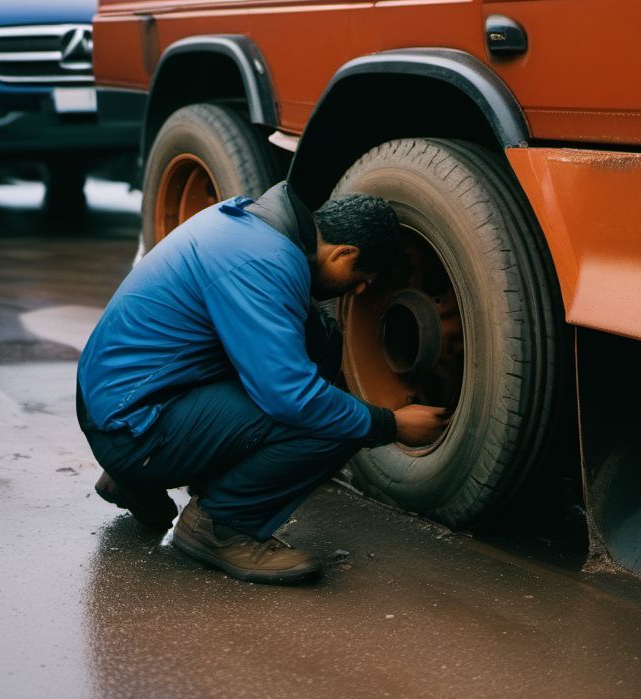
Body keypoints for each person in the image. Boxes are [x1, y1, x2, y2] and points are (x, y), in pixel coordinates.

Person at [76, 180, 448, 585]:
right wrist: (389, 425)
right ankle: (221, 526)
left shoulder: (250, 226)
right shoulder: (264, 261)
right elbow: (294, 399)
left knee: (317, 339)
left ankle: (134, 477)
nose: (359, 290)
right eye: (363, 278)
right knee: (332, 421)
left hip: (117, 403)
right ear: (344, 253)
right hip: (133, 426)